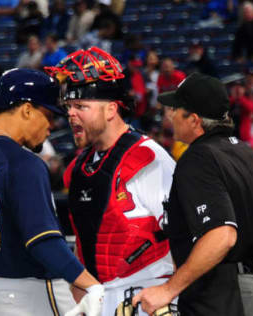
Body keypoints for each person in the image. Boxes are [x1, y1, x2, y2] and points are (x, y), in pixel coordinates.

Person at [0, 68, 104, 316]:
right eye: (49, 115)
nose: (51, 127)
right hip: (29, 292)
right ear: (27, 110)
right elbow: (42, 241)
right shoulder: (24, 162)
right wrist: (91, 285)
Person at [133, 72, 253, 316]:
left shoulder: (198, 157)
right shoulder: (245, 152)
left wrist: (168, 289)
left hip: (227, 294)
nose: (169, 115)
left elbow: (222, 235)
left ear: (194, 120)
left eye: (175, 109)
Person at [45, 47, 176, 316]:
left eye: (81, 106)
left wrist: (172, 292)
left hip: (150, 297)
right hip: (101, 301)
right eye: (69, 107)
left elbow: (188, 238)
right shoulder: (77, 169)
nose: (71, 115)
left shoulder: (147, 158)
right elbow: (84, 244)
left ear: (111, 109)